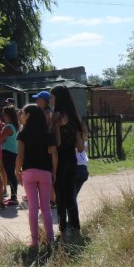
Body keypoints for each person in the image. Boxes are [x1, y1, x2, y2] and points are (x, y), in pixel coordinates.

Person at [15, 104, 57, 248]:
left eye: (23, 113)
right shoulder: (47, 132)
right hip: (45, 172)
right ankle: (51, 239)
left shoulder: (23, 133)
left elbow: (20, 156)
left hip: (28, 172)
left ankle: (34, 241)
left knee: (33, 208)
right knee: (46, 208)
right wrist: (54, 171)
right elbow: (54, 154)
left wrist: (16, 170)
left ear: (29, 116)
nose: (21, 116)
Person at [50, 85, 86, 240]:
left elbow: (57, 142)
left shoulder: (57, 116)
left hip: (60, 160)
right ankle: (77, 231)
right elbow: (80, 147)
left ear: (58, 98)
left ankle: (63, 233)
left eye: (52, 97)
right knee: (71, 197)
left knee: (60, 197)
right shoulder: (74, 115)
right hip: (73, 160)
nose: (51, 99)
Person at [0, 106, 21, 206]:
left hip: (7, 152)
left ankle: (13, 197)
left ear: (8, 115)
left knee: (10, 175)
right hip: (14, 152)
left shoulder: (8, 127)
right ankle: (13, 196)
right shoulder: (17, 126)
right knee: (12, 175)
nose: (3, 116)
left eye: (4, 114)